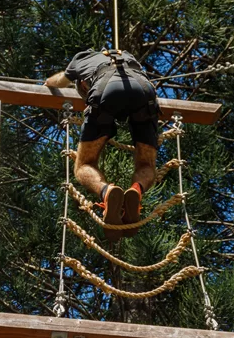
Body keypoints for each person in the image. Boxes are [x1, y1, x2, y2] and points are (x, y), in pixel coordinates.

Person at [45, 48, 160, 231]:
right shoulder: (128, 56)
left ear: (83, 85)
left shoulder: (80, 57)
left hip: (105, 91)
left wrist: (47, 83)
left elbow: (58, 81)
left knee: (83, 165)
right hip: (144, 93)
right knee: (146, 164)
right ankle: (136, 191)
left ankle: (107, 192)